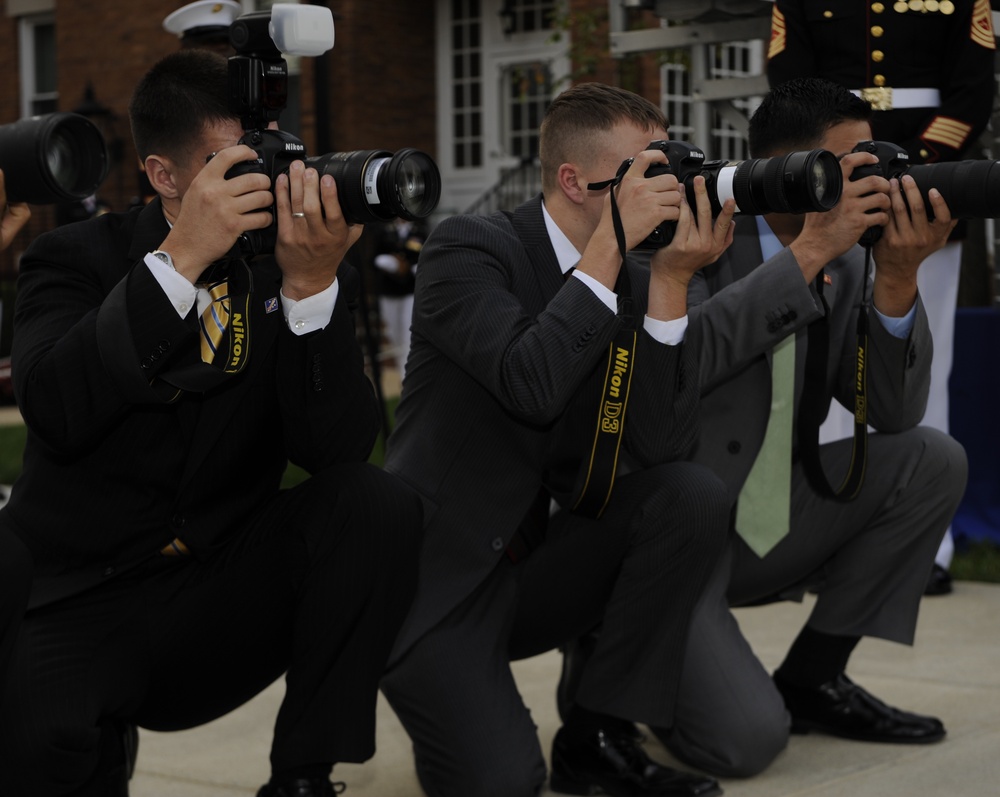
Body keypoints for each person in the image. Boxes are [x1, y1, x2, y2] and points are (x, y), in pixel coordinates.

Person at [0, 50, 422, 797]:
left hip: (219, 593)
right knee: (34, 745)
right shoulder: (73, 258)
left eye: (272, 159)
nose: (263, 183)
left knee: (374, 502)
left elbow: (337, 452)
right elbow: (58, 410)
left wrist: (311, 290)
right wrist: (182, 257)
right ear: (165, 176)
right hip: (83, 596)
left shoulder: (297, 264)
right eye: (236, 165)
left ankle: (303, 775)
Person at [555, 77, 965, 779]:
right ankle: (606, 657)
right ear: (794, 170)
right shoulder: (687, 231)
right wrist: (806, 256)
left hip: (767, 523)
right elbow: (683, 359)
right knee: (745, 742)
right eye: (853, 164)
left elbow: (892, 415)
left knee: (930, 457)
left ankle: (813, 678)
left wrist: (896, 278)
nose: (873, 178)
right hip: (674, 538)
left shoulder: (847, 257)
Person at [380, 82, 736, 797]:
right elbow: (530, 384)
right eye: (645, 176)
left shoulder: (634, 275)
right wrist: (611, 252)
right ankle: (457, 702)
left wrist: (668, 283)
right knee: (504, 782)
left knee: (688, 495)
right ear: (575, 182)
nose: (664, 193)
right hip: (441, 577)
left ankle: (598, 731)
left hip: (545, 567)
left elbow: (665, 450)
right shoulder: (467, 249)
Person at [766, 0, 996, 594]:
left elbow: (972, 89)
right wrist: (844, 176)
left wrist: (913, 178)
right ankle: (825, 535)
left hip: (927, 194)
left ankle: (928, 546)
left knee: (923, 363)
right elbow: (791, 91)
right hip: (832, 190)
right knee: (826, 367)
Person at [371, 216, 426, 378]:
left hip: (410, 290)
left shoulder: (419, 232)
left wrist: (410, 266)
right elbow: (375, 257)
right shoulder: (384, 231)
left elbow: (422, 254)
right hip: (389, 290)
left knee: (408, 331)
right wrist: (388, 263)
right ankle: (401, 367)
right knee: (392, 332)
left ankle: (406, 376)